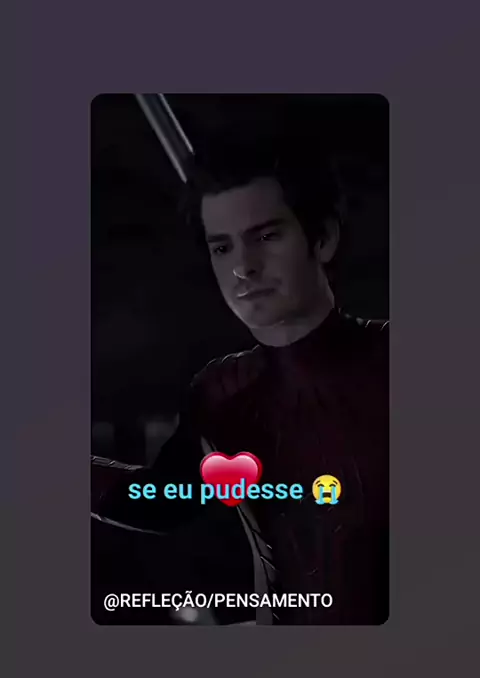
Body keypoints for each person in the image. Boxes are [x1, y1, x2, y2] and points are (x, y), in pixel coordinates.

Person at [96, 134, 389, 625]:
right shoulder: (220, 392)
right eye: (222, 246)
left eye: (267, 236)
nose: (243, 267)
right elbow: (163, 501)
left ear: (322, 238)